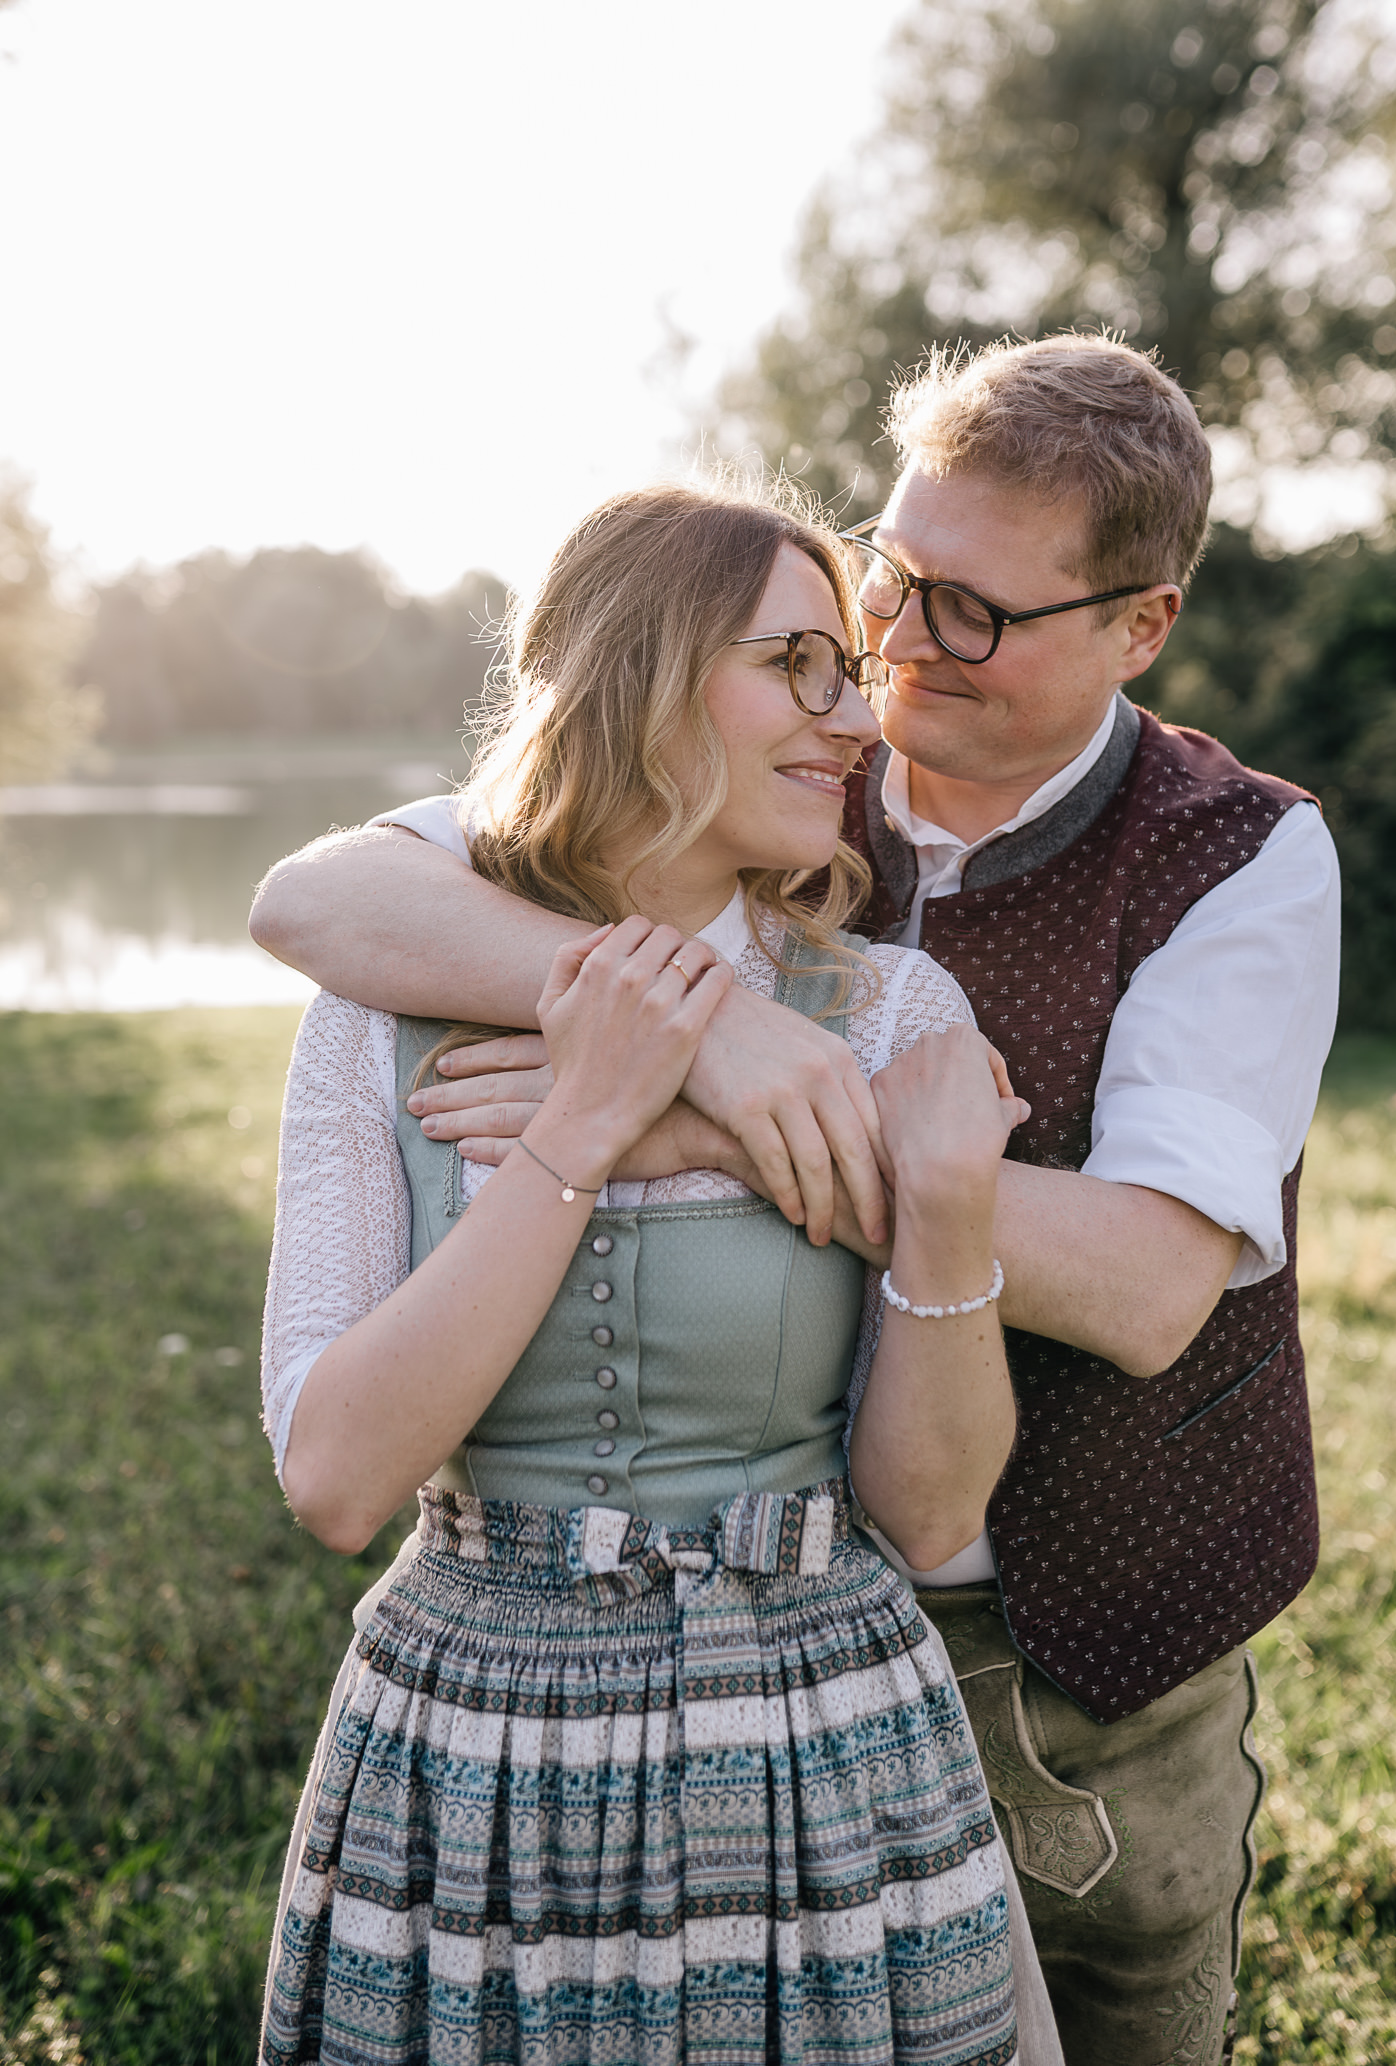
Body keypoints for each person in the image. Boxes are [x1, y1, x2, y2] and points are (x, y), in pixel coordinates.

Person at [250, 335, 1340, 2065]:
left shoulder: (1239, 856)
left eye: (970, 614)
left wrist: (695, 1119)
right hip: (556, 1686)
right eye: (888, 587)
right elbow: (313, 902)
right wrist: (710, 1031)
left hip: (1072, 1659)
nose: (891, 663)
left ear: (1139, 625)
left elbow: (1145, 1286)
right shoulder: (786, 793)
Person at [255, 479, 1062, 2066]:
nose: (857, 722)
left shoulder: (895, 1015)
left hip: (823, 1734)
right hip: (472, 1744)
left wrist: (952, 1205)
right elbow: (337, 1481)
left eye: (850, 672)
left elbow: (929, 1513)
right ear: (639, 676)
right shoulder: (376, 1005)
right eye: (799, 666)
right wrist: (586, 1122)